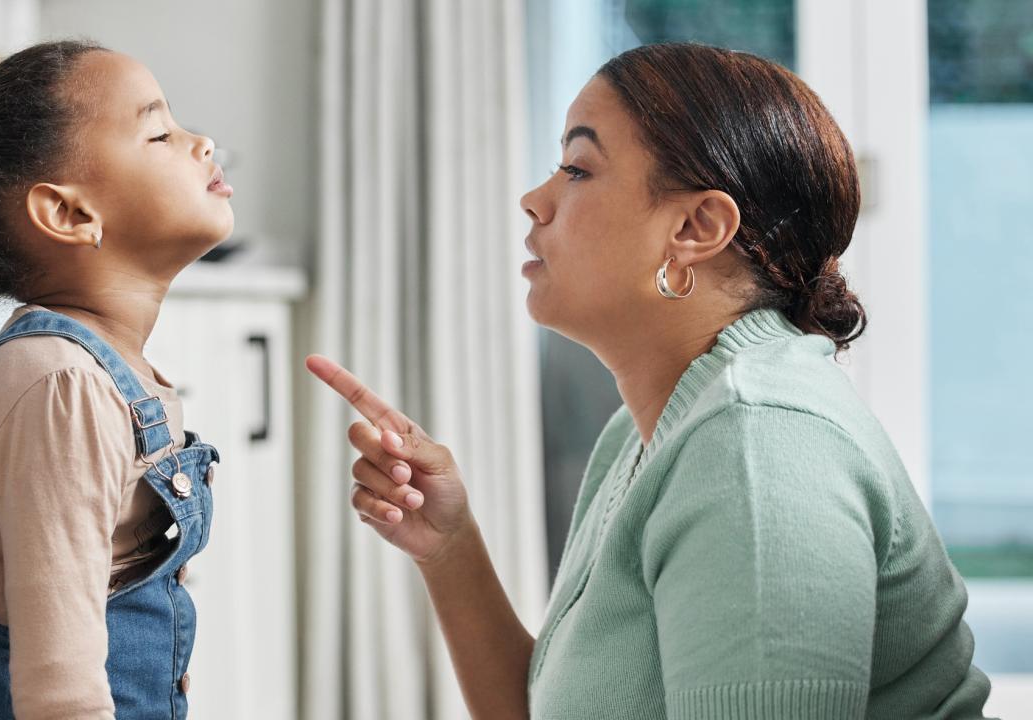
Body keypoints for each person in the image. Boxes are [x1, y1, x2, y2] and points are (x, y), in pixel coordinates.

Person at [307, 43, 992, 719]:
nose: (532, 199)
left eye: (577, 169)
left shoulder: (758, 451)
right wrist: (450, 549)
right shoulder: (648, 432)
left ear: (696, 227)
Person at [0, 40, 234, 720]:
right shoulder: (56, 387)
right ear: (69, 215)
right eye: (159, 132)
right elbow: (62, 699)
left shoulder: (104, 374)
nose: (202, 141)